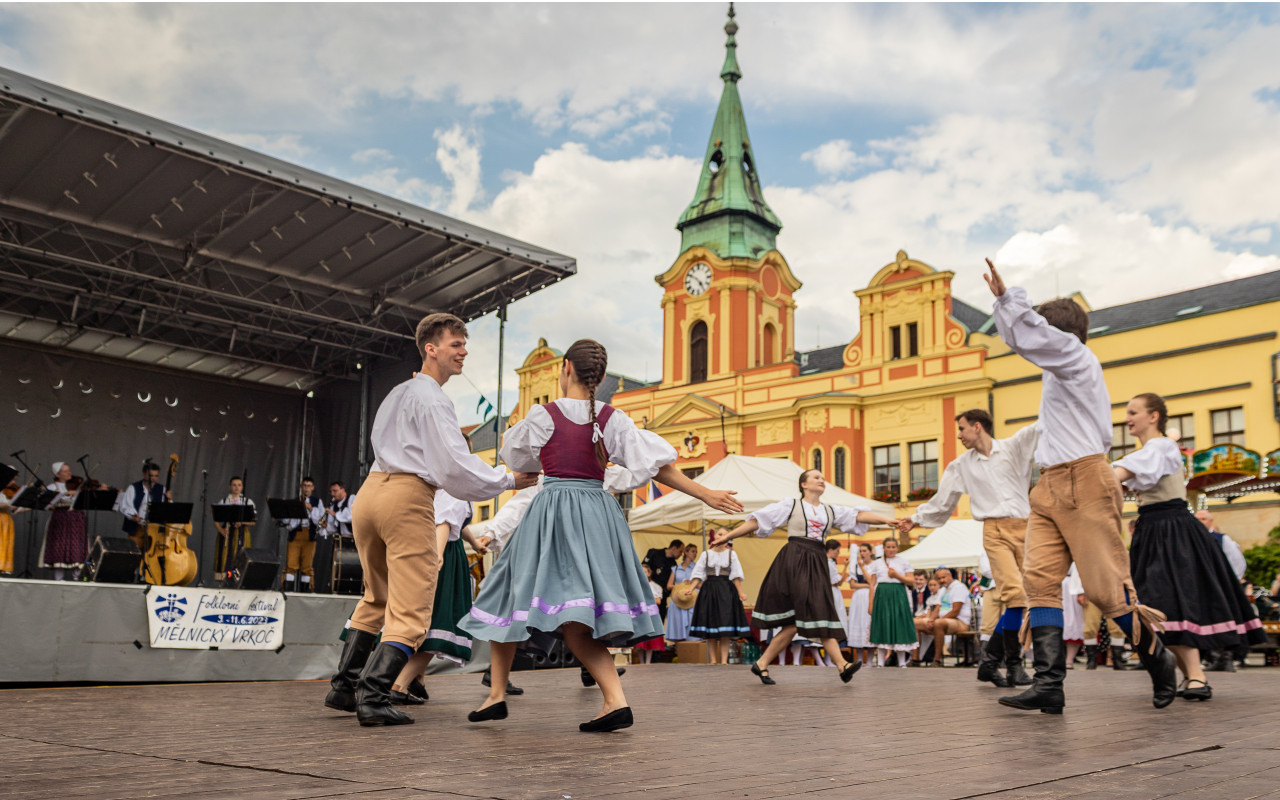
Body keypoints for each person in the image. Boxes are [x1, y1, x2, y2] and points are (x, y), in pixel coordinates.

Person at [459, 338, 742, 732]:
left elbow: (517, 457)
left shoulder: (544, 414)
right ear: (602, 377)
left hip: (553, 511)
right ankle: (512, 694)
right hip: (597, 513)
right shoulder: (614, 419)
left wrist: (527, 470)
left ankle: (534, 695)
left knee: (512, 594)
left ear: (566, 369)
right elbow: (658, 466)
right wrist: (706, 493)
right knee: (568, 610)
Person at [324, 312, 536, 728]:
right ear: (431, 349)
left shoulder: (397, 393)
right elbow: (453, 468)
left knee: (376, 596)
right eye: (456, 344)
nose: (464, 352)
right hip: (406, 496)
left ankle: (345, 685)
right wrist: (509, 478)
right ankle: (375, 693)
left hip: (369, 492)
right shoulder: (434, 398)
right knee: (413, 608)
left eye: (464, 344)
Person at [984, 258, 1177, 715]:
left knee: (1107, 590)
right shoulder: (1059, 374)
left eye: (1046, 332)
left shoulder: (1076, 357)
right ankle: (1050, 684)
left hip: (1085, 478)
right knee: (1041, 583)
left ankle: (1159, 659)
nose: (1039, 343)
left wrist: (1010, 299)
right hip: (1051, 484)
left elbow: (1027, 335)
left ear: (1060, 336)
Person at [1113, 392, 1267, 701]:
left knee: (1166, 602)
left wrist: (1098, 475)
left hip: (1171, 529)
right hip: (1153, 530)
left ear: (1153, 416)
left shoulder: (1162, 446)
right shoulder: (1150, 449)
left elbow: (1123, 472)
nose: (1127, 418)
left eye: (1133, 412)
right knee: (1154, 604)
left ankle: (1196, 675)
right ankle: (1191, 676)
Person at [713, 468, 896, 685]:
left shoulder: (831, 510)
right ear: (804, 484)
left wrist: (888, 521)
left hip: (817, 560)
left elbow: (859, 516)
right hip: (795, 559)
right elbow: (758, 521)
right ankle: (842, 665)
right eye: (816, 477)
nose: (821, 480)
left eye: (822, 478)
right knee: (818, 609)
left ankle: (762, 663)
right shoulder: (791, 505)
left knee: (794, 624)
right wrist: (729, 537)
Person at [899, 409, 1036, 686]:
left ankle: (989, 662)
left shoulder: (1014, 446)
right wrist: (915, 519)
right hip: (994, 531)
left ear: (977, 427)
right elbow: (942, 503)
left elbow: (1046, 423)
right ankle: (1013, 665)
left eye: (961, 429)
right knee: (1015, 594)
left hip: (1026, 527)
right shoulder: (961, 466)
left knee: (1026, 598)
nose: (959, 435)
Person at [388, 488, 489, 705]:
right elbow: (443, 522)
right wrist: (439, 556)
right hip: (445, 554)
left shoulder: (443, 486)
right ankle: (400, 685)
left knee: (430, 623)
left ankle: (417, 678)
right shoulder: (455, 489)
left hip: (434, 549)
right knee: (441, 626)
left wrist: (474, 543)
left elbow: (454, 521)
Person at [1193, 509, 1248, 673]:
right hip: (1199, 589)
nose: (1200, 522)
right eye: (1197, 519)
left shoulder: (1223, 539)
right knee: (1205, 623)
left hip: (1221, 588)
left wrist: (1229, 583)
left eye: (1203, 519)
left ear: (1211, 521)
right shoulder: (1190, 539)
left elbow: (1238, 563)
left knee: (1223, 621)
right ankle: (1213, 658)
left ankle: (1226, 659)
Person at [688, 538, 750, 664]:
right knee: (710, 626)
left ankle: (724, 660)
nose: (723, 537)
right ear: (715, 537)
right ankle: (713, 660)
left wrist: (740, 592)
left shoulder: (731, 554)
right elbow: (698, 574)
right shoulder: (706, 554)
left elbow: (736, 575)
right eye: (720, 534)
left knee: (725, 627)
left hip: (726, 591)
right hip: (709, 591)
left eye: (726, 535)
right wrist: (690, 588)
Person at [867, 537, 917, 668]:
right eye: (888, 547)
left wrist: (896, 576)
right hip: (882, 596)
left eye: (893, 547)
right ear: (884, 548)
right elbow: (872, 584)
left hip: (899, 595)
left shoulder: (903, 562)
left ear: (897, 548)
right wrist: (870, 603)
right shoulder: (877, 563)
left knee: (899, 626)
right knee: (883, 626)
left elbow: (911, 581)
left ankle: (901, 662)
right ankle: (880, 662)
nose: (890, 549)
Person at [914, 567, 971, 666]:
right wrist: (931, 619)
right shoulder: (943, 590)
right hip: (943, 620)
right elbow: (938, 608)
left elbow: (955, 611)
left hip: (960, 622)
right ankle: (915, 659)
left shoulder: (959, 587)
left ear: (950, 576)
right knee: (914, 623)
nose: (941, 580)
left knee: (938, 623)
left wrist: (937, 620)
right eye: (939, 578)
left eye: (943, 578)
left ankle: (937, 659)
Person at [42, 462, 86, 581]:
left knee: (77, 547)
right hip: (61, 519)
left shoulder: (75, 486)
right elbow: (47, 503)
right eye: (65, 471)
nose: (69, 473)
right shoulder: (52, 487)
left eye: (69, 470)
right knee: (59, 548)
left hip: (77, 519)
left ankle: (77, 577)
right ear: (58, 474)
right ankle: (58, 579)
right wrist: (65, 493)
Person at [281, 477, 325, 592]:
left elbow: (320, 520)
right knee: (291, 563)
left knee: (307, 565)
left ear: (313, 488)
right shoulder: (295, 501)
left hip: (309, 535)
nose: (306, 488)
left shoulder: (317, 502)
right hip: (296, 533)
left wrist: (311, 509)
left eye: (309, 486)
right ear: (301, 487)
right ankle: (288, 591)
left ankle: (305, 591)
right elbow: (287, 521)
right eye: (305, 486)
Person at [114, 460, 168, 552]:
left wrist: (169, 499)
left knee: (152, 556)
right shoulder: (133, 488)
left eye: (156, 476)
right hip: (138, 528)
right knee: (134, 554)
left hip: (154, 529)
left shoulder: (162, 489)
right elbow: (125, 505)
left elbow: (167, 509)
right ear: (144, 474)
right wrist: (133, 515)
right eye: (151, 475)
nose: (153, 479)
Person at [316, 481, 355, 594]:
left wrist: (334, 514)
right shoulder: (334, 506)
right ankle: (338, 589)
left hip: (354, 539)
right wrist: (325, 526)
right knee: (338, 567)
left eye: (335, 491)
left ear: (343, 490)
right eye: (331, 492)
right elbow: (333, 528)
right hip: (341, 540)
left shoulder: (352, 499)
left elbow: (351, 516)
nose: (332, 494)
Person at [214, 476, 255, 581]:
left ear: (242, 487)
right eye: (234, 485)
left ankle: (237, 580)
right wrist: (221, 530)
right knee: (225, 557)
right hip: (227, 532)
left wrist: (242, 522)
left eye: (239, 485)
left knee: (239, 557)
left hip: (241, 533)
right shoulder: (224, 501)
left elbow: (253, 521)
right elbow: (216, 519)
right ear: (230, 486)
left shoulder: (247, 502)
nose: (236, 488)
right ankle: (226, 579)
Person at [844, 542, 875, 666]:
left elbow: (872, 581)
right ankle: (860, 659)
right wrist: (868, 585)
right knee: (858, 623)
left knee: (869, 624)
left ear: (870, 552)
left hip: (870, 596)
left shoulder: (874, 566)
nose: (862, 553)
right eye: (860, 551)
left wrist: (863, 569)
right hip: (858, 598)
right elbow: (852, 584)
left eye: (864, 551)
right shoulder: (855, 566)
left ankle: (870, 661)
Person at [665, 544, 700, 644]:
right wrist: (681, 586)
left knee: (692, 625)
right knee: (678, 627)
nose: (695, 554)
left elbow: (703, 585)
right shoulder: (675, 569)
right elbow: (669, 585)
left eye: (696, 552)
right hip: (678, 599)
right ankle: (679, 652)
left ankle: (692, 651)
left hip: (693, 600)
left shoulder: (697, 568)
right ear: (686, 552)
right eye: (693, 551)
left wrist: (692, 584)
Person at [633, 564, 667, 664]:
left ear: (649, 573)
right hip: (639, 613)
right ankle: (641, 661)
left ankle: (647, 662)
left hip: (650, 614)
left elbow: (658, 601)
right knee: (640, 640)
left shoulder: (655, 586)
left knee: (650, 638)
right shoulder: (635, 585)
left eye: (645, 571)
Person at [643, 539, 684, 616]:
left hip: (662, 599)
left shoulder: (674, 565)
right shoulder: (654, 553)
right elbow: (642, 570)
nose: (681, 554)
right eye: (680, 551)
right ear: (674, 548)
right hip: (648, 595)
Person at [826, 539, 850, 639]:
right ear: (831, 550)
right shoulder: (828, 564)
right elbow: (839, 582)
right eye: (837, 550)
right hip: (832, 592)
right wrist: (845, 567)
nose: (838, 553)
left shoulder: (827, 562)